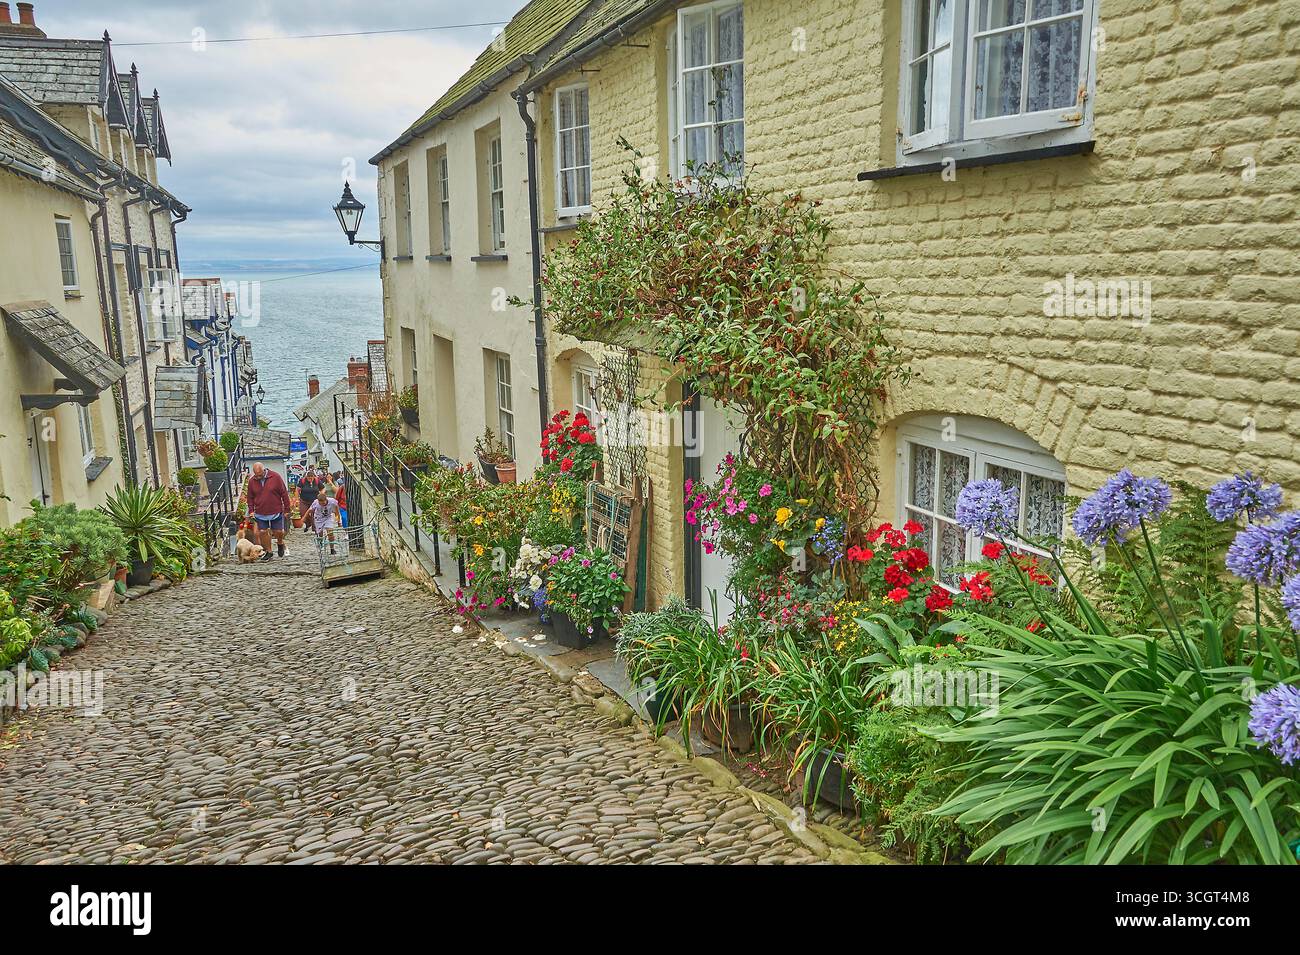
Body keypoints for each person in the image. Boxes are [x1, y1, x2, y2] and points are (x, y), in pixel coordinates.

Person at [247, 462, 292, 561]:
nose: (258, 477)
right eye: (256, 475)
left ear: (264, 470)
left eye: (260, 475)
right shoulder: (252, 481)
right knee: (263, 532)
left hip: (276, 509)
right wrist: (251, 510)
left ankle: (280, 542)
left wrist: (287, 508)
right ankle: (269, 551)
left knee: (279, 531)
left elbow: (284, 493)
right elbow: (250, 497)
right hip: (260, 511)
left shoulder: (275, 477)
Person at [306, 490, 341, 555]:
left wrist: (338, 517)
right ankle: (321, 541)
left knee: (330, 532)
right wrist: (304, 519)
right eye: (320, 503)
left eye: (323, 502)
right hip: (318, 518)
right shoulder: (315, 503)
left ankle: (332, 549)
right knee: (320, 533)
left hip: (328, 517)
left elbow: (336, 507)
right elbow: (309, 510)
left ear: (326, 499)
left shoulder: (332, 501)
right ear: (318, 501)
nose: (322, 504)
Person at [298, 466, 321, 533]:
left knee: (314, 514)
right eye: (309, 478)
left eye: (311, 478)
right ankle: (308, 523)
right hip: (304, 500)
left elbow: (322, 488)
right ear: (306, 477)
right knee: (303, 513)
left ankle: (315, 528)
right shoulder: (302, 481)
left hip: (314, 501)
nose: (310, 479)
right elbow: (298, 489)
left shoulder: (317, 481)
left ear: (314, 477)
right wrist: (297, 499)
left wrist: (321, 494)